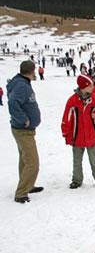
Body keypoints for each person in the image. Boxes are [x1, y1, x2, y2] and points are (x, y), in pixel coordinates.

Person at [61, 74, 95, 189]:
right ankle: (77, 180)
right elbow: (66, 119)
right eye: (91, 85)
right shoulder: (72, 101)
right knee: (77, 161)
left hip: (92, 136)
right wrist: (67, 134)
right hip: (77, 137)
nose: (93, 87)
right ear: (84, 87)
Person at [6, 60, 43, 203]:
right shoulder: (22, 85)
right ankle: (21, 192)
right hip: (23, 130)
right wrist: (23, 119)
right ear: (31, 71)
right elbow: (12, 103)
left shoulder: (20, 82)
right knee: (33, 162)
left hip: (22, 130)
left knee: (25, 159)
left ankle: (28, 185)